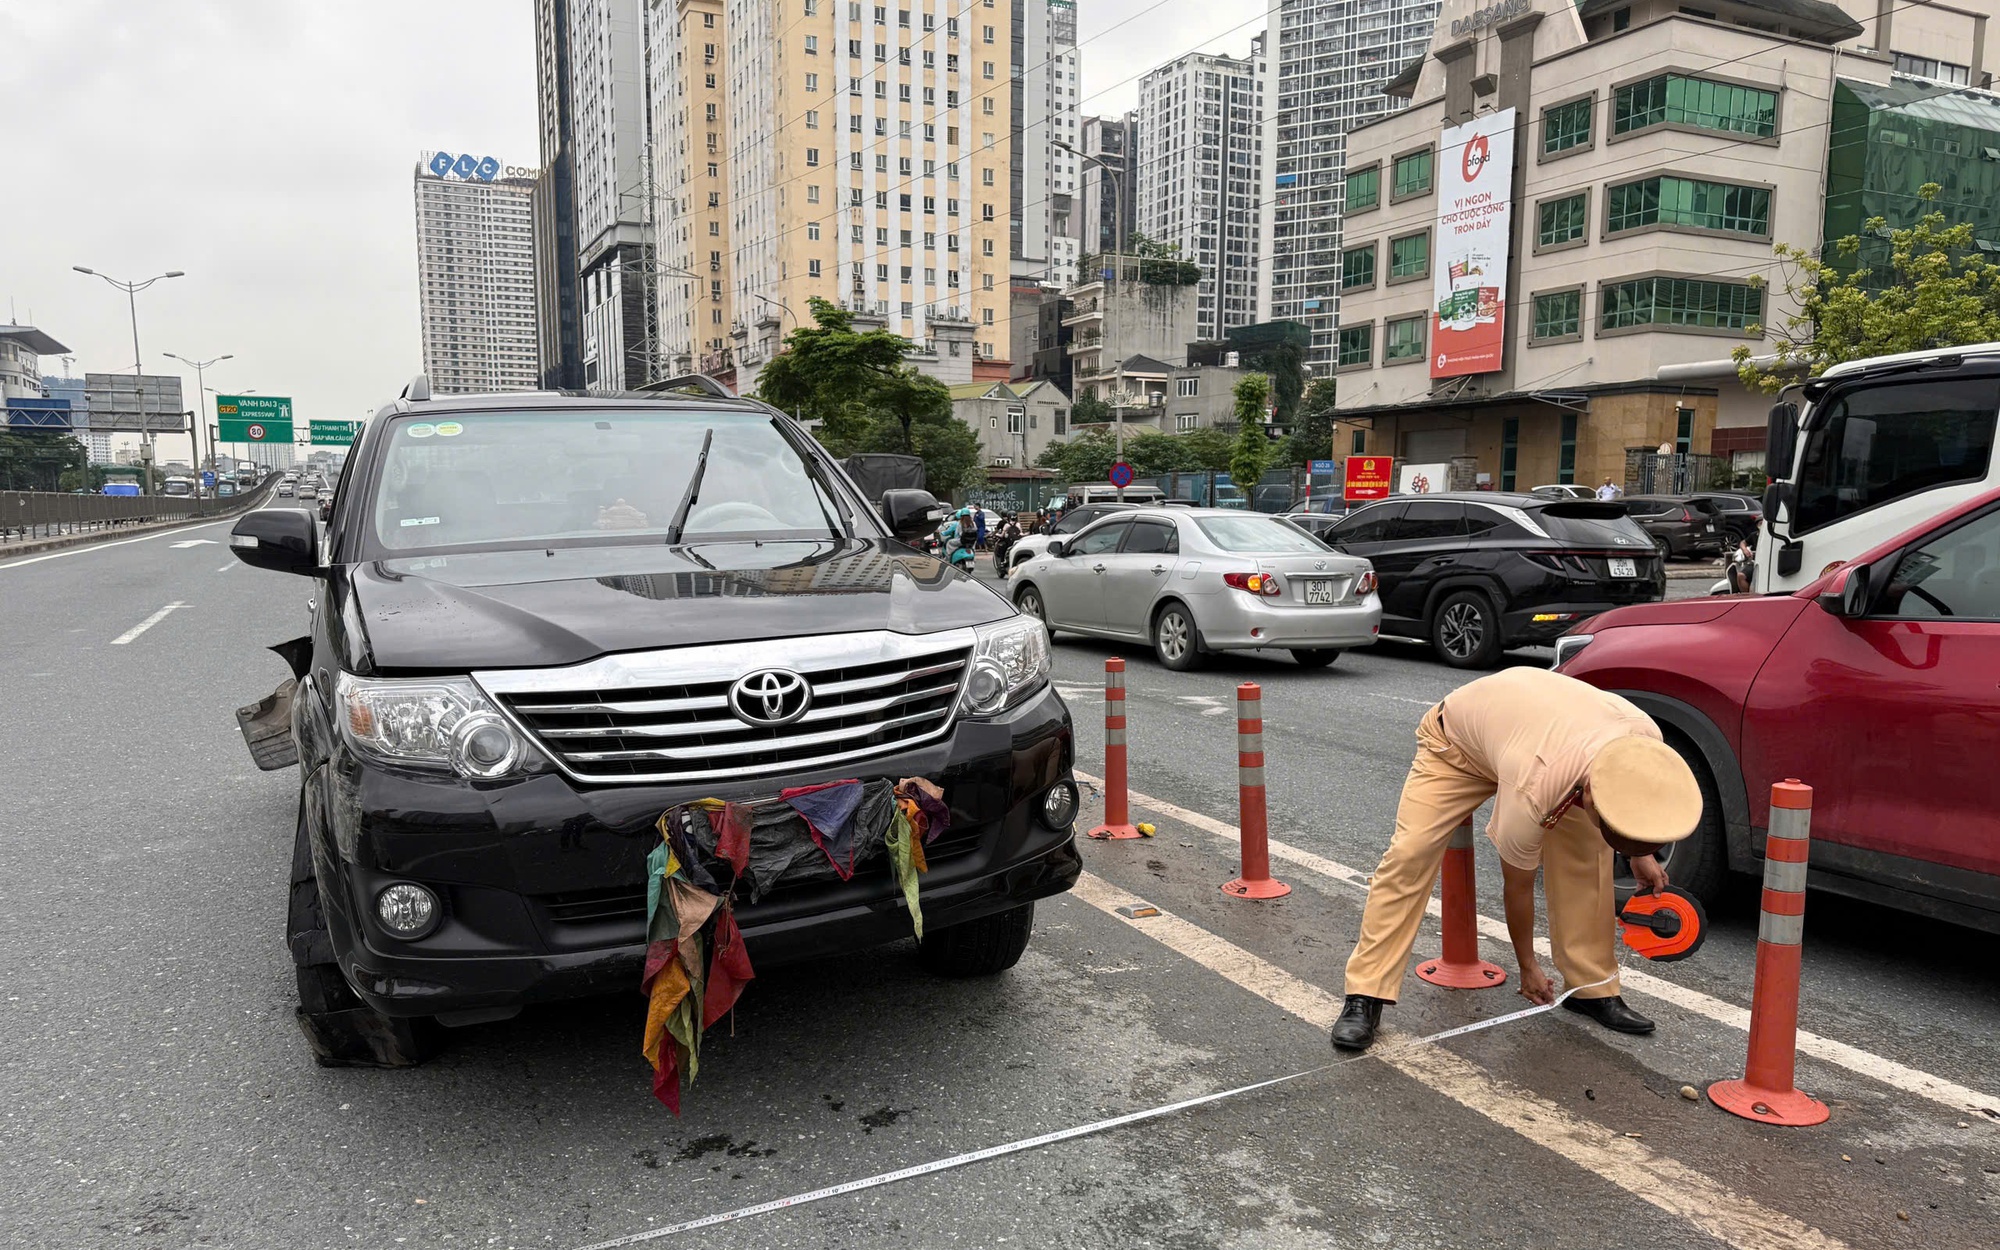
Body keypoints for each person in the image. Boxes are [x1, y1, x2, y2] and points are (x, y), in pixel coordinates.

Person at [1330, 668, 1702, 1052]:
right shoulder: (1535, 788)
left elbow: (1637, 799)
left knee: (1588, 860)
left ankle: (1590, 989)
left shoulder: (1643, 743)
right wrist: (1527, 967)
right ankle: (1365, 994)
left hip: (1537, 739)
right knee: (1409, 856)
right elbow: (1518, 888)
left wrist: (1640, 852)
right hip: (1457, 744)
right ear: (1590, 792)